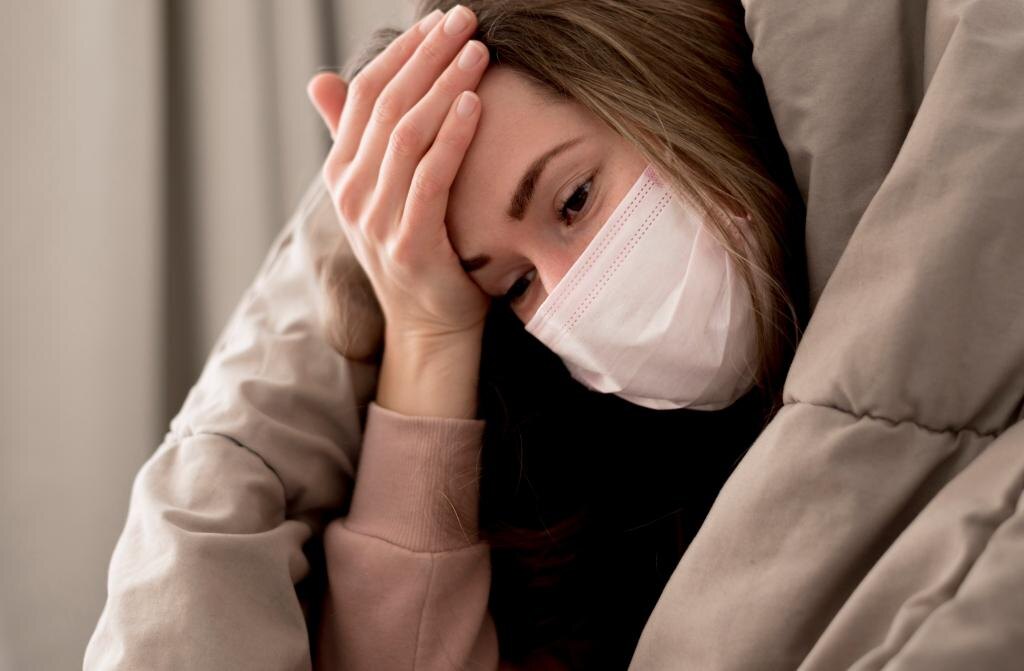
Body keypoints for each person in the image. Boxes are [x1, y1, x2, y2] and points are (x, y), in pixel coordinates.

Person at [304, 1, 807, 668]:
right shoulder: (608, 509)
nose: (572, 298)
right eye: (517, 284)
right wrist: (428, 331)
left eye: (574, 200)